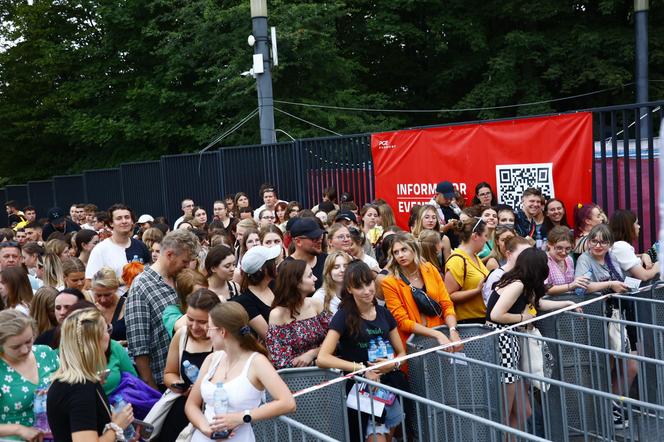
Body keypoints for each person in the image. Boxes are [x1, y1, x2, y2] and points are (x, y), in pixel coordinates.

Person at [486, 247, 580, 430]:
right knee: (504, 415)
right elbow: (496, 314)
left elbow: (537, 304)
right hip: (503, 343)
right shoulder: (517, 284)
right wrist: (523, 318)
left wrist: (567, 303)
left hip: (511, 343)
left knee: (523, 412)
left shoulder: (522, 283)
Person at [317, 260, 407, 442]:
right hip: (361, 393)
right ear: (349, 289)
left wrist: (393, 363)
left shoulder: (384, 313)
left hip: (389, 388)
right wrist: (361, 369)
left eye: (369, 283)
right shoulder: (343, 316)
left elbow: (403, 353)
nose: (367, 291)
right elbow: (323, 358)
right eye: (359, 287)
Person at [185, 302, 296, 441]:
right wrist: (206, 428)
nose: (207, 334)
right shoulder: (212, 359)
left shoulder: (257, 362)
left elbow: (288, 402)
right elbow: (191, 404)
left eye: (210, 328)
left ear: (222, 331)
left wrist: (241, 417)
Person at [126, 229, 200, 390]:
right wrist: (151, 389)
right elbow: (139, 346)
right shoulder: (142, 286)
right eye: (185, 261)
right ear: (170, 255)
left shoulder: (182, 279)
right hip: (161, 381)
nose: (188, 266)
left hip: (191, 376)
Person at [47, 308, 135, 441]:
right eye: (107, 330)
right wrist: (117, 426)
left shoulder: (74, 382)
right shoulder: (79, 388)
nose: (109, 336)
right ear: (95, 341)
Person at [381, 232, 460, 355]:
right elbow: (402, 322)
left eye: (404, 249)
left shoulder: (430, 269)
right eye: (396, 252)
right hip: (413, 344)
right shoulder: (389, 282)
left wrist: (453, 330)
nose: (400, 255)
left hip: (441, 340)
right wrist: (436, 334)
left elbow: (446, 304)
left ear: (414, 249)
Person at [160, 289, 220, 442]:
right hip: (181, 412)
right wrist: (180, 386)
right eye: (190, 319)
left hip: (213, 414)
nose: (194, 326)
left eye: (202, 322)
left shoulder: (221, 342)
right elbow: (169, 373)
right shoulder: (182, 335)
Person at [0, 310, 59, 441]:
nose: (25, 349)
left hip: (55, 431)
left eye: (29, 341)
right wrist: (19, 429)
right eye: (16, 347)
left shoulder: (45, 353)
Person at [266, 259, 330, 369]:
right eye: (310, 275)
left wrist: (312, 354)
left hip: (324, 370)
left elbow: (334, 340)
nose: (315, 278)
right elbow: (279, 360)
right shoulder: (277, 314)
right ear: (297, 283)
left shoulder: (316, 304)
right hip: (295, 378)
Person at [85, 204, 151, 292]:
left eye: (127, 217)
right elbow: (89, 283)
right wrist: (119, 282)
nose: (124, 221)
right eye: (119, 218)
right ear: (111, 223)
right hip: (114, 303)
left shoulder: (140, 245)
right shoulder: (100, 249)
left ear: (132, 221)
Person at [444, 218, 490, 323]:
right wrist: (476, 291)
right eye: (485, 236)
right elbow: (449, 295)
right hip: (468, 323)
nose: (487, 240)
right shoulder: (457, 260)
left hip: (482, 319)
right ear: (475, 236)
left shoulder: (474, 257)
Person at [231, 246, 280, 339]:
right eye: (273, 261)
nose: (276, 264)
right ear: (263, 269)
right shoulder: (245, 301)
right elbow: (269, 336)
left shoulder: (275, 285)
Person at [609, 209, 659, 281]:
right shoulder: (621, 246)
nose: (639, 227)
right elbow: (644, 276)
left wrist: (643, 255)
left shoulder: (616, 245)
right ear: (628, 226)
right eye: (636, 223)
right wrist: (658, 266)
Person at [481, 236, 531, 305]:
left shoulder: (525, 272)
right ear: (509, 254)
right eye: (522, 254)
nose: (527, 257)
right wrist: (522, 316)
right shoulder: (497, 276)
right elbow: (490, 306)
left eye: (529, 253)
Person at [545, 227, 589, 295]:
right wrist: (570, 286)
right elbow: (545, 289)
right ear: (549, 244)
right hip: (551, 303)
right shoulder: (544, 261)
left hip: (569, 301)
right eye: (559, 248)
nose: (563, 252)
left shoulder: (569, 259)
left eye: (568, 248)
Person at [285, 218, 327, 290]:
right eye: (314, 238)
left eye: (320, 236)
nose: (320, 241)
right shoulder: (287, 268)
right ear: (298, 242)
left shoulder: (328, 260)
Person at [91, 267, 128, 343]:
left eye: (107, 295)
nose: (103, 300)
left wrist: (125, 343)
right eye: (98, 295)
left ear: (116, 289)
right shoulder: (92, 310)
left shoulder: (127, 307)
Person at [428, 181, 461, 248]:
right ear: (437, 194)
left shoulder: (452, 206)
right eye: (446, 197)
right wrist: (448, 226)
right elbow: (433, 234)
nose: (449, 200)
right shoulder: (429, 209)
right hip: (439, 247)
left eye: (451, 197)